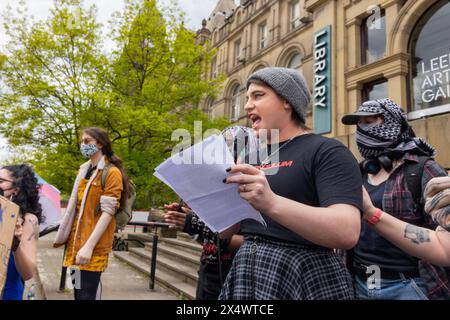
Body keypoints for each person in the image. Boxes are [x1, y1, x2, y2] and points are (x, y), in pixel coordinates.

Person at [220, 67, 363, 300]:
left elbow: (346, 232)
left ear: (287, 101)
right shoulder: (249, 157)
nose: (247, 106)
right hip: (247, 269)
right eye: (247, 98)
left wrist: (271, 202)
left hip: (304, 274)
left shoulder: (327, 151)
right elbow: (228, 231)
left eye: (258, 95)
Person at [341, 98, 448, 300]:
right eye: (360, 124)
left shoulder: (422, 169)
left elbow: (444, 236)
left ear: (392, 122)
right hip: (360, 282)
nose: (362, 129)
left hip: (410, 286)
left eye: (370, 121)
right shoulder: (360, 171)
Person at [163, 126, 255, 300]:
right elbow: (208, 242)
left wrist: (198, 225)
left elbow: (253, 244)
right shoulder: (218, 187)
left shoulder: (255, 190)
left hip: (236, 282)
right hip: (207, 278)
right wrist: (188, 222)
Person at [54, 127, 131, 300]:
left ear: (101, 143)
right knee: (77, 292)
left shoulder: (112, 172)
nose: (83, 144)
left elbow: (108, 212)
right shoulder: (84, 169)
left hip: (93, 246)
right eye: (82, 141)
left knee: (87, 295)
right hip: (74, 244)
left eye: (87, 141)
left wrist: (88, 246)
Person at [361, 176, 450, 266]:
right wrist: (371, 213)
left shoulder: (424, 167)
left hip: (409, 275)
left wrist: (372, 214)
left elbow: (443, 249)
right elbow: (443, 248)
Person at [1, 164, 42, 300]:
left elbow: (28, 273)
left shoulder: (27, 220)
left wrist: (15, 245)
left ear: (16, 189)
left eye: (0, 181)